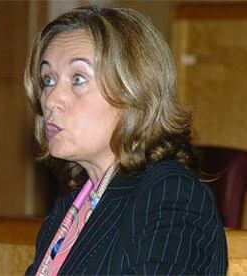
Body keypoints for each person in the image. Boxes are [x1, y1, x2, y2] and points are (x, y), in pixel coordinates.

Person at [24, 5, 227, 275]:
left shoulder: (171, 196)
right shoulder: (73, 204)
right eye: (48, 80)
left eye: (78, 79)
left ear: (133, 92)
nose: (51, 100)